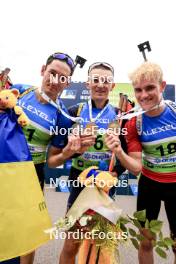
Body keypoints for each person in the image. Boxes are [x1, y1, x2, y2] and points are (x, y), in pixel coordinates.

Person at [47, 62, 128, 264]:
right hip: (79, 182)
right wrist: (74, 149)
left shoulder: (121, 116)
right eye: (96, 80)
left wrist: (115, 173)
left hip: (106, 184)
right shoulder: (75, 112)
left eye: (106, 80)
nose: (100, 84)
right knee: (71, 243)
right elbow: (60, 153)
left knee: (100, 244)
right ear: (87, 84)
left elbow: (125, 154)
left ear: (113, 85)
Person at [11, 52, 84, 264]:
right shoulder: (20, 91)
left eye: (62, 78)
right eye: (52, 73)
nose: (55, 81)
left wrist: (68, 153)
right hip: (3, 167)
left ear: (67, 83)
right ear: (43, 70)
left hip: (32, 175)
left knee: (28, 237)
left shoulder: (62, 116)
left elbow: (53, 160)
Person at [105, 62, 176, 264]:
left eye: (150, 88)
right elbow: (136, 167)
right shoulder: (134, 122)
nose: (143, 95)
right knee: (145, 242)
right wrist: (118, 151)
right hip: (150, 186)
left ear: (162, 86)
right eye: (138, 90)